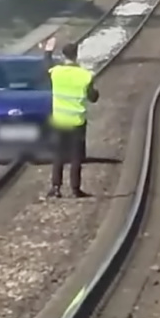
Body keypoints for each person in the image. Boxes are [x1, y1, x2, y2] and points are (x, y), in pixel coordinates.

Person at [42, 36, 99, 199]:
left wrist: (48, 51)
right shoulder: (85, 76)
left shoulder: (56, 73)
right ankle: (75, 189)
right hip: (77, 122)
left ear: (64, 55)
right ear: (76, 55)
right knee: (76, 156)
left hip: (60, 120)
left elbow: (46, 66)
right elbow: (93, 97)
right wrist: (95, 91)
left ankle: (56, 187)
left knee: (58, 154)